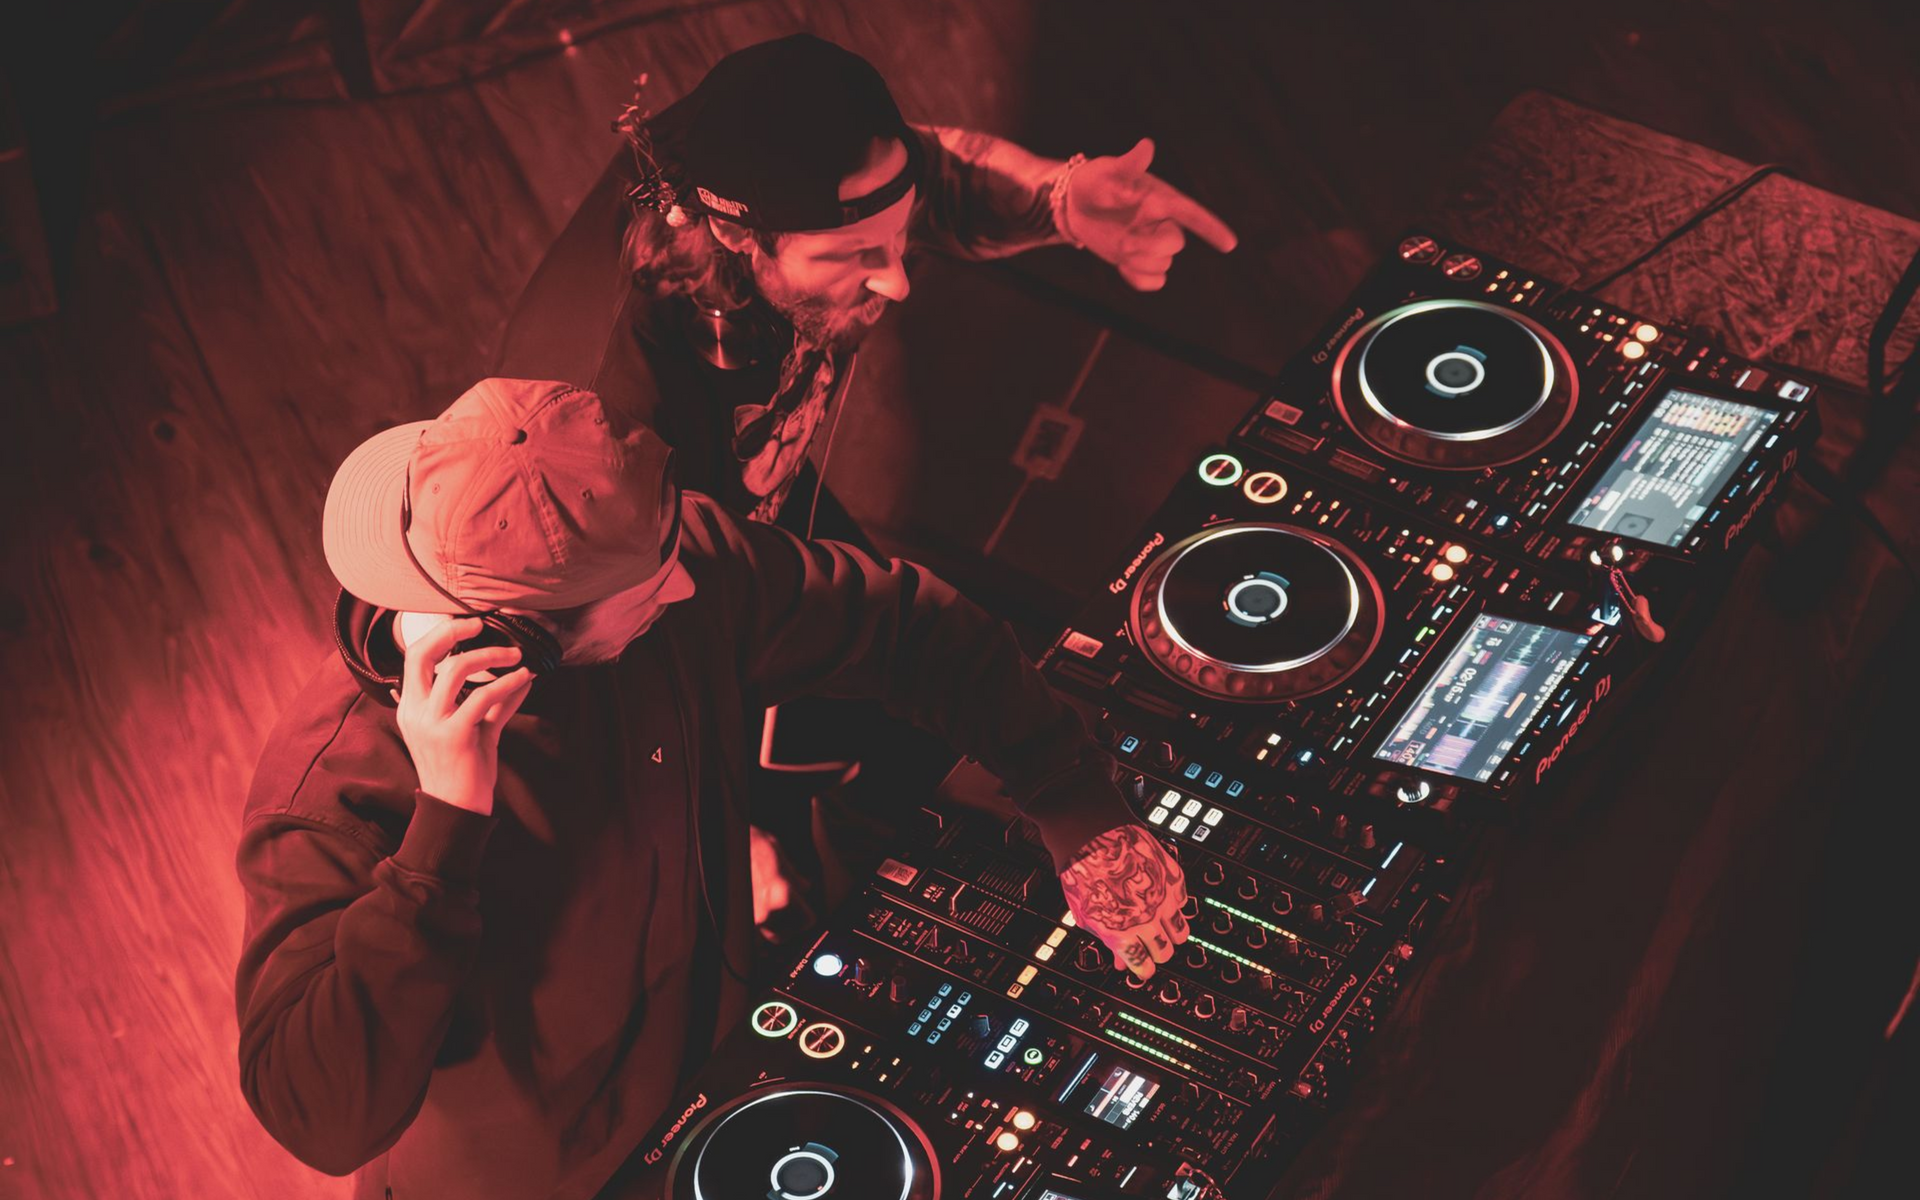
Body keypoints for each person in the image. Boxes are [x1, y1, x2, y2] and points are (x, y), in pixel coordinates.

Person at [234, 377, 1189, 1200]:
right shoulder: (331, 796)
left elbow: (907, 626)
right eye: (648, 598)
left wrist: (1072, 800)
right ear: (515, 638)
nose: (684, 593)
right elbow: (319, 1116)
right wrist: (442, 831)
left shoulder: (676, 559)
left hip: (729, 1088)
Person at [492, 33, 1237, 926]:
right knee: (770, 855)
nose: (896, 281)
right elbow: (575, 649)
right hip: (650, 614)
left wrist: (1063, 201)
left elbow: (930, 175)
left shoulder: (781, 155)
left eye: (897, 240)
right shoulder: (600, 408)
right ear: (733, 232)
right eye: (854, 257)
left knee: (899, 715)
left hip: (757, 516)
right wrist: (697, 823)